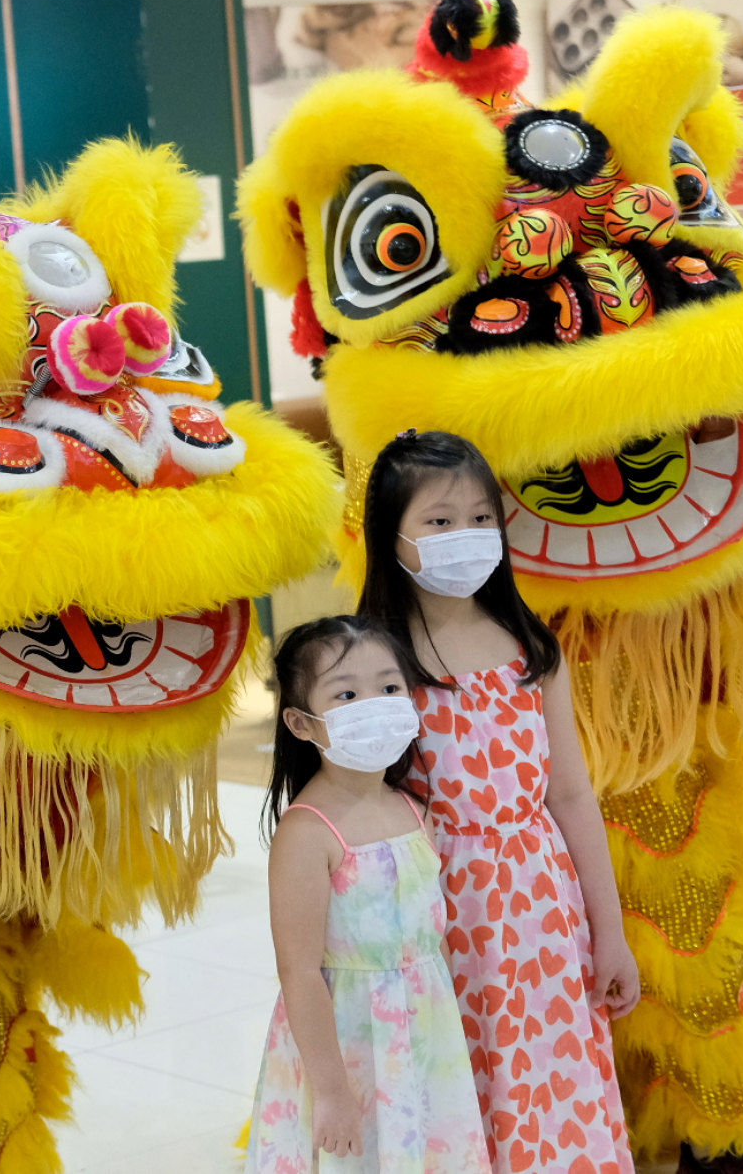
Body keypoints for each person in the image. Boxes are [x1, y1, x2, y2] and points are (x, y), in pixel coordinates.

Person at [359, 430, 638, 1173]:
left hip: (543, 909)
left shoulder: (530, 647)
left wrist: (608, 931)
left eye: (481, 518)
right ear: (391, 535)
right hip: (437, 913)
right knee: (457, 1078)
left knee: (549, 1072)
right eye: (440, 521)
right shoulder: (379, 664)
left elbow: (573, 792)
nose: (466, 537)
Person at [250, 614, 488, 1174]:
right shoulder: (307, 834)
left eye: (388, 687)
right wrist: (331, 1092)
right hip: (349, 1046)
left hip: (424, 1038)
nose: (375, 704)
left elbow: (433, 941)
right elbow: (300, 973)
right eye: (347, 693)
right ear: (302, 724)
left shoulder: (412, 809)